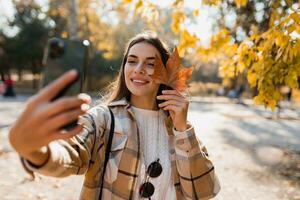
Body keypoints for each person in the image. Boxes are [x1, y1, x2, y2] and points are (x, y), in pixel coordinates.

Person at [9, 32, 220, 200]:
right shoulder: (103, 119)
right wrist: (34, 149)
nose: (139, 69)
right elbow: (71, 154)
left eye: (150, 63)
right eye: (132, 60)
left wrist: (182, 129)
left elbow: (204, 191)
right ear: (124, 67)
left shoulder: (180, 127)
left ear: (165, 73)